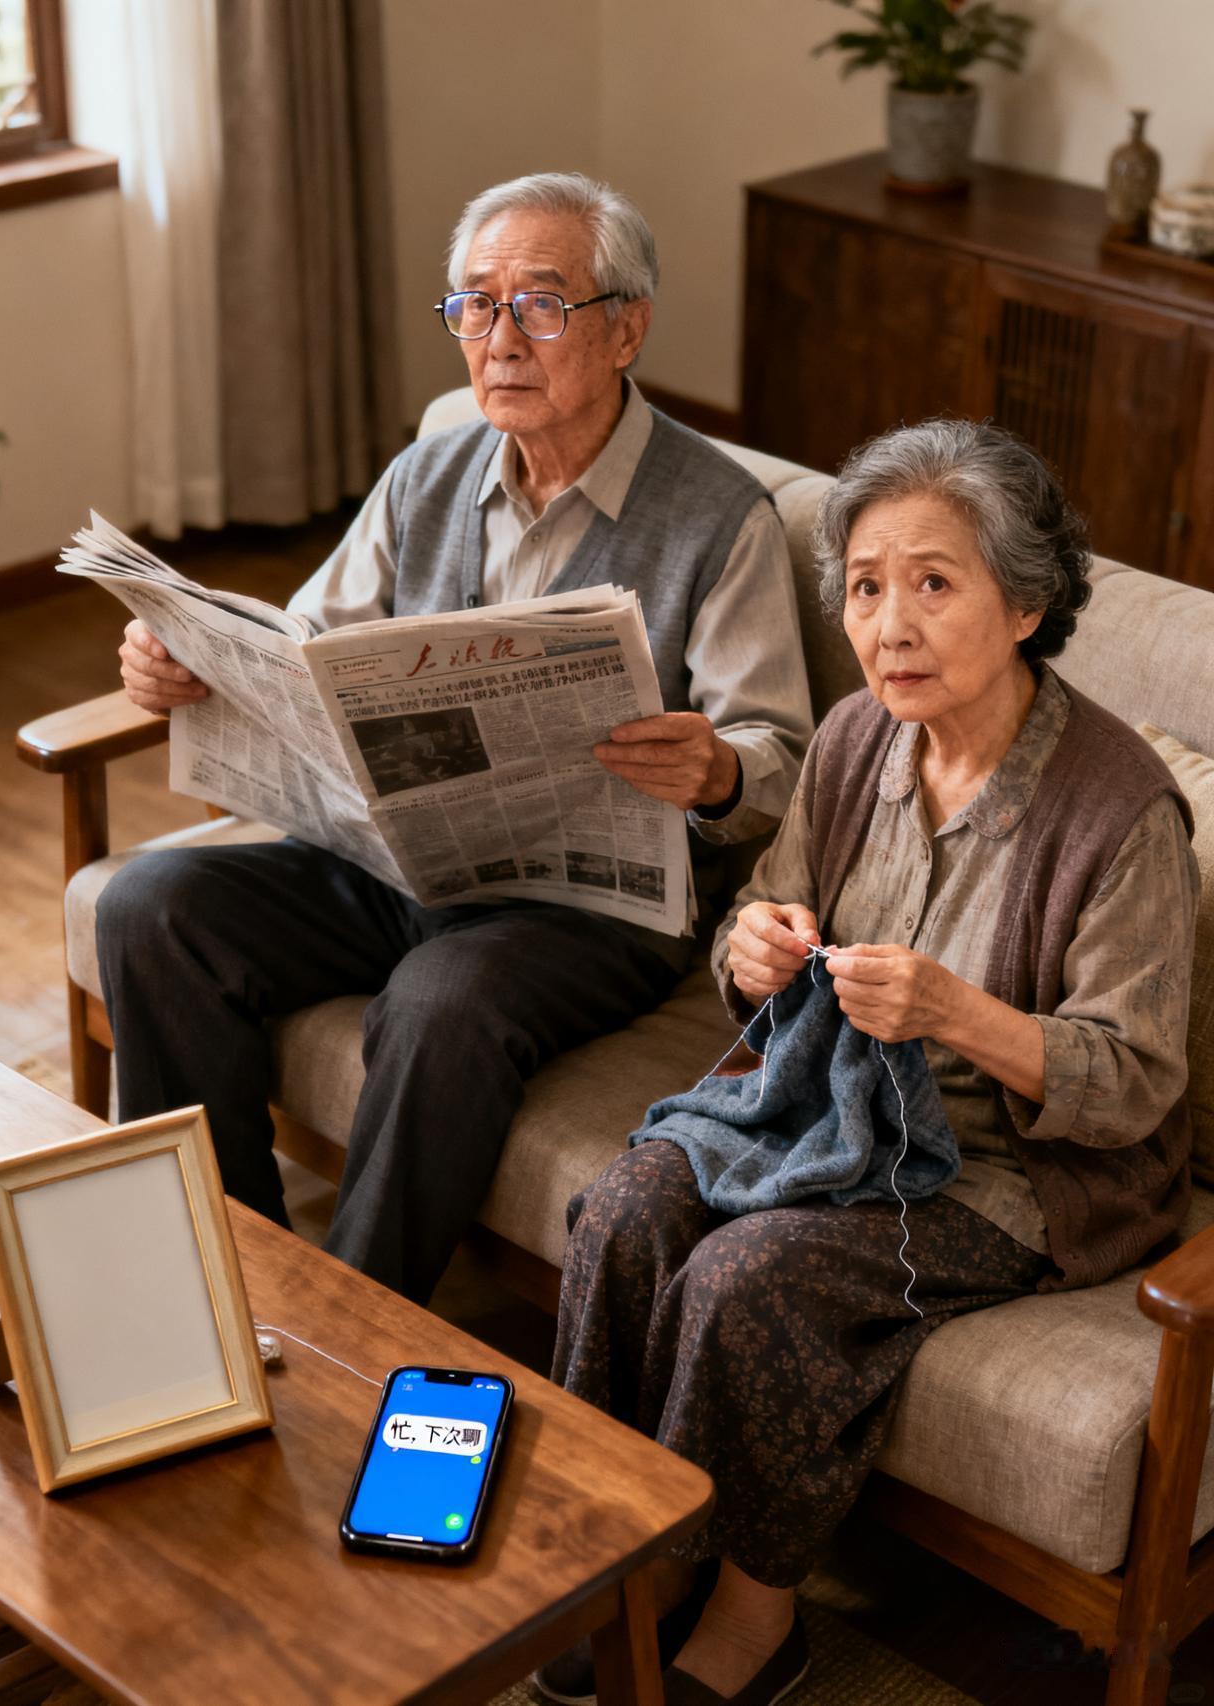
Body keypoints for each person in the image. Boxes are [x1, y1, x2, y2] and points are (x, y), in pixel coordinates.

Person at [540, 419, 1199, 1705]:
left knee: (746, 1275)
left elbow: (1128, 1084)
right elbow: (758, 920)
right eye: (862, 585)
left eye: (931, 582)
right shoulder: (852, 739)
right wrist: (758, 943)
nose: (887, 622)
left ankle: (751, 1612)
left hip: (1012, 1172)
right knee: (624, 1205)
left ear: (1025, 601)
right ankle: (618, 1550)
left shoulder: (1121, 811)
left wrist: (954, 1011)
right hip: (817, 1110)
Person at [97, 171, 813, 1305]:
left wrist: (715, 767)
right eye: (473, 306)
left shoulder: (720, 516)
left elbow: (777, 752)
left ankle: (352, 1315)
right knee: (150, 908)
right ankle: (216, 1274)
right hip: (404, 866)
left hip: (592, 908)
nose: (499, 338)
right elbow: (302, 647)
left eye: (539, 303)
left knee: (440, 997)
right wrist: (184, 665)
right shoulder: (425, 472)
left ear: (625, 326)